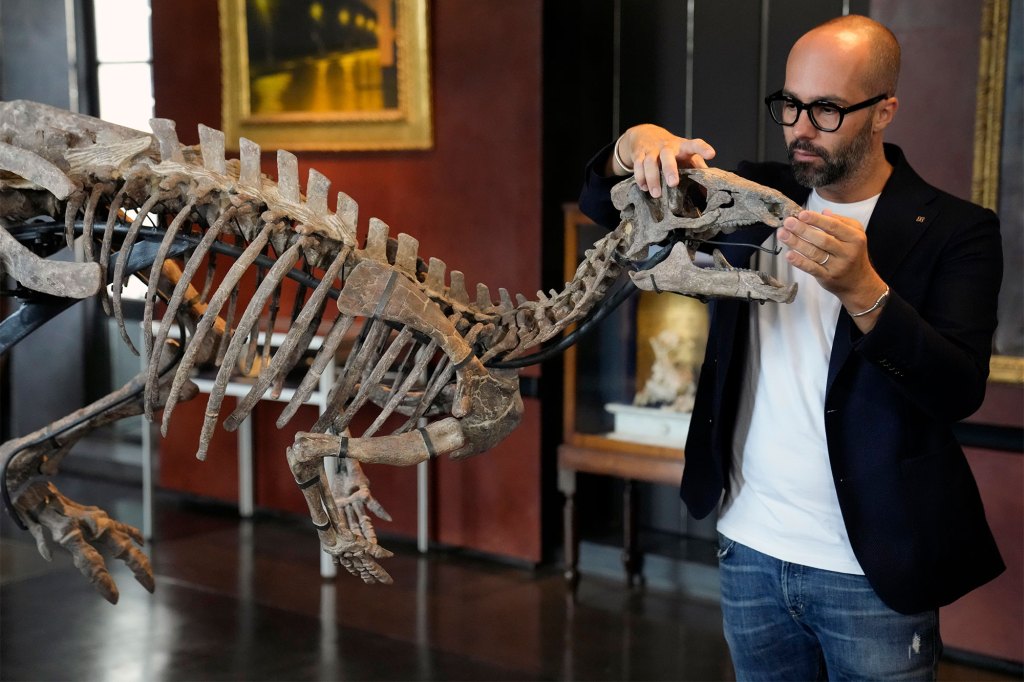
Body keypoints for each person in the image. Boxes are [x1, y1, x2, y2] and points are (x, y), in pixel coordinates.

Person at [579, 14, 1004, 681]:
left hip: (871, 570)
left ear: (884, 109)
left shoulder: (958, 229)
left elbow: (957, 390)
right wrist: (629, 149)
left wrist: (865, 290)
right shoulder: (753, 195)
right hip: (749, 548)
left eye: (828, 109)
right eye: (790, 105)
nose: (800, 128)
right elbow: (606, 208)